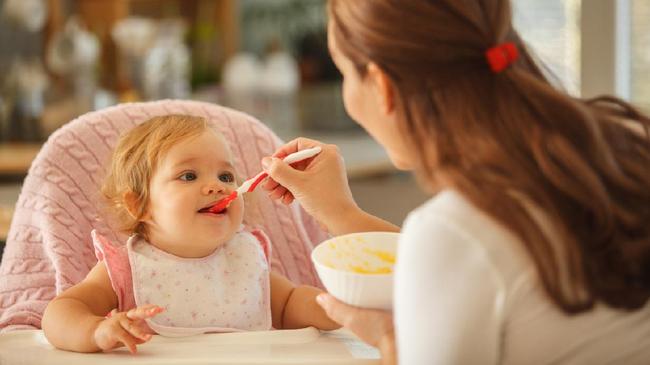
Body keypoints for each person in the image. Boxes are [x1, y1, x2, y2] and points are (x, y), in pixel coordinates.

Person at [260, 0, 650, 364]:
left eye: (344, 73)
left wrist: (393, 347)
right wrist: (341, 213)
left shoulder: (456, 232)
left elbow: (462, 252)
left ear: (381, 86)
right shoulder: (628, 139)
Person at [41, 115, 339, 354]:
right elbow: (59, 314)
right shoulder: (126, 269)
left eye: (225, 176)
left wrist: (337, 308)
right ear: (140, 205)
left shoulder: (244, 259)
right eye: (188, 176)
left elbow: (289, 304)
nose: (217, 186)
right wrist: (96, 331)